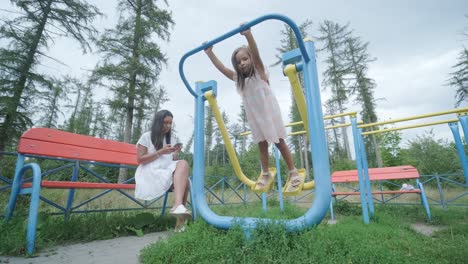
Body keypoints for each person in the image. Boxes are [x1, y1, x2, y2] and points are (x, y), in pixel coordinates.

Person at [204, 25, 302, 192]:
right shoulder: (239, 80)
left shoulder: (260, 73)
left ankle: (293, 172)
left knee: (279, 142)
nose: (242, 63)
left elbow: (256, 55)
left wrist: (249, 36)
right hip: (256, 118)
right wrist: (210, 53)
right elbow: (223, 69)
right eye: (238, 62)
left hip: (270, 114)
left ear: (250, 58)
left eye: (245, 59)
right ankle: (265, 173)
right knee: (262, 145)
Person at [134, 109, 191, 232]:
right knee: (184, 182)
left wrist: (175, 153)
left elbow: (173, 160)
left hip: (166, 171)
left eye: (170, 123)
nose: (168, 126)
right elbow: (140, 159)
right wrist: (161, 152)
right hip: (150, 172)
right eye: (165, 123)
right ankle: (179, 216)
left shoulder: (172, 138)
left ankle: (178, 212)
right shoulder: (146, 136)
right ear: (158, 122)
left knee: (184, 166)